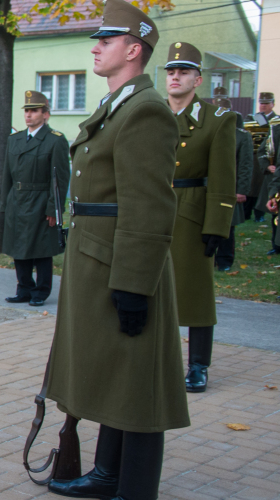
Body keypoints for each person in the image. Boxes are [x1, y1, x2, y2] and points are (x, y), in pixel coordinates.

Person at [44, 2, 189, 499]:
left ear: (133, 49)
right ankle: (108, 475)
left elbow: (148, 209)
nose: (95, 47)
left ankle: (135, 487)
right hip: (97, 258)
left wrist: (133, 285)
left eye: (106, 40)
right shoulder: (119, 104)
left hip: (123, 266)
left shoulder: (146, 110)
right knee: (112, 375)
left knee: (137, 385)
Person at [164, 42, 236, 394]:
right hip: (153, 210)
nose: (175, 77)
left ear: (198, 79)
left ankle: (198, 366)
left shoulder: (218, 120)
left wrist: (217, 226)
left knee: (196, 294)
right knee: (149, 288)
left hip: (192, 212)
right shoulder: (153, 113)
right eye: (171, 71)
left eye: (184, 71)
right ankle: (156, 359)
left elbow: (223, 178)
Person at [1, 91, 69, 307]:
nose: (29, 115)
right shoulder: (15, 139)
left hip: (41, 200)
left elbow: (59, 179)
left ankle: (41, 291)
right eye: (27, 111)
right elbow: (7, 176)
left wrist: (54, 209)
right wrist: (5, 204)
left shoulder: (54, 140)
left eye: (34, 111)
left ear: (46, 114)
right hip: (17, 200)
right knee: (18, 247)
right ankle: (24, 288)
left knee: (41, 249)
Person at [214, 98, 254, 271]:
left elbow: (246, 165)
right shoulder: (211, 131)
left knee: (227, 227)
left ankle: (225, 261)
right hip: (210, 186)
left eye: (224, 109)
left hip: (230, 188)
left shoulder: (241, 136)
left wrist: (241, 190)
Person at [247, 92, 276, 222]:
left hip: (270, 159)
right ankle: (247, 213)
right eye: (261, 103)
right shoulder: (252, 119)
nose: (263, 106)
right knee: (251, 187)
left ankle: (261, 214)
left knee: (263, 189)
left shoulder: (276, 120)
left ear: (272, 104)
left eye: (266, 103)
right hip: (253, 158)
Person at [256, 119, 280, 254]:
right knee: (276, 215)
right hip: (277, 178)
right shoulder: (276, 130)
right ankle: (277, 246)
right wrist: (267, 166)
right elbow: (262, 152)